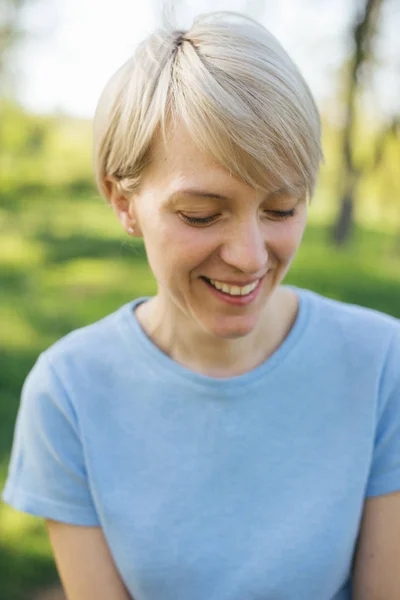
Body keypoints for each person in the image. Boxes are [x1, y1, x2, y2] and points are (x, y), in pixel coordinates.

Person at [2, 11, 400, 600]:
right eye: (201, 214)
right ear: (123, 200)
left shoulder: (381, 364)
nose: (248, 256)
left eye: (282, 208)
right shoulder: (69, 395)